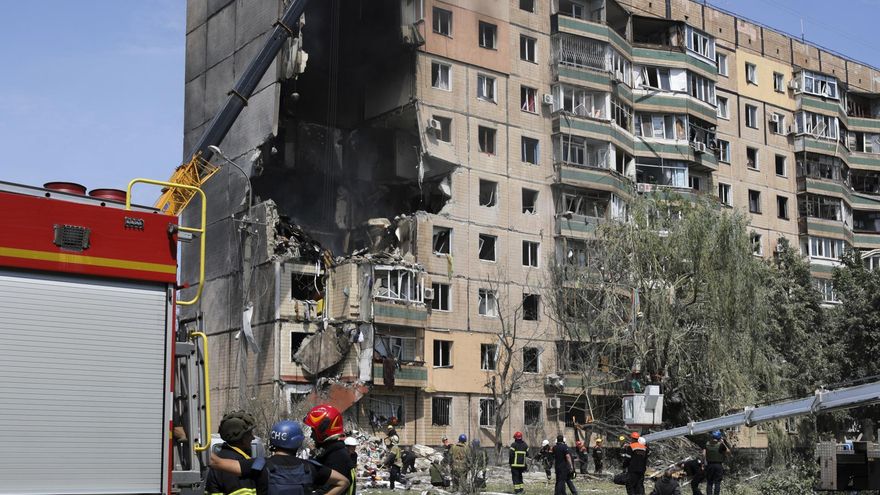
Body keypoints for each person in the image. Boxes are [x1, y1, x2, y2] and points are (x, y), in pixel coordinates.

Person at [209, 420, 350, 495]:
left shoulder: (259, 465)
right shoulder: (310, 467)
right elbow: (343, 482)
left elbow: (215, 462)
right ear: (298, 442)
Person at [303, 405, 356, 495]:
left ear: (323, 430)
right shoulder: (330, 452)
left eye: (313, 431)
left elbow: (327, 490)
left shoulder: (337, 457)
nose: (311, 436)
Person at [205, 410, 258, 495]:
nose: (252, 438)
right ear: (242, 438)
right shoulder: (234, 464)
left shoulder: (223, 457)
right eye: (249, 434)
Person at [703, 431, 729, 495]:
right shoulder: (721, 445)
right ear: (719, 437)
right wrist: (723, 443)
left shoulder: (707, 444)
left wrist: (705, 463)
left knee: (709, 483)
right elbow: (728, 451)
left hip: (709, 465)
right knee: (717, 482)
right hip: (718, 465)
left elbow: (703, 454)